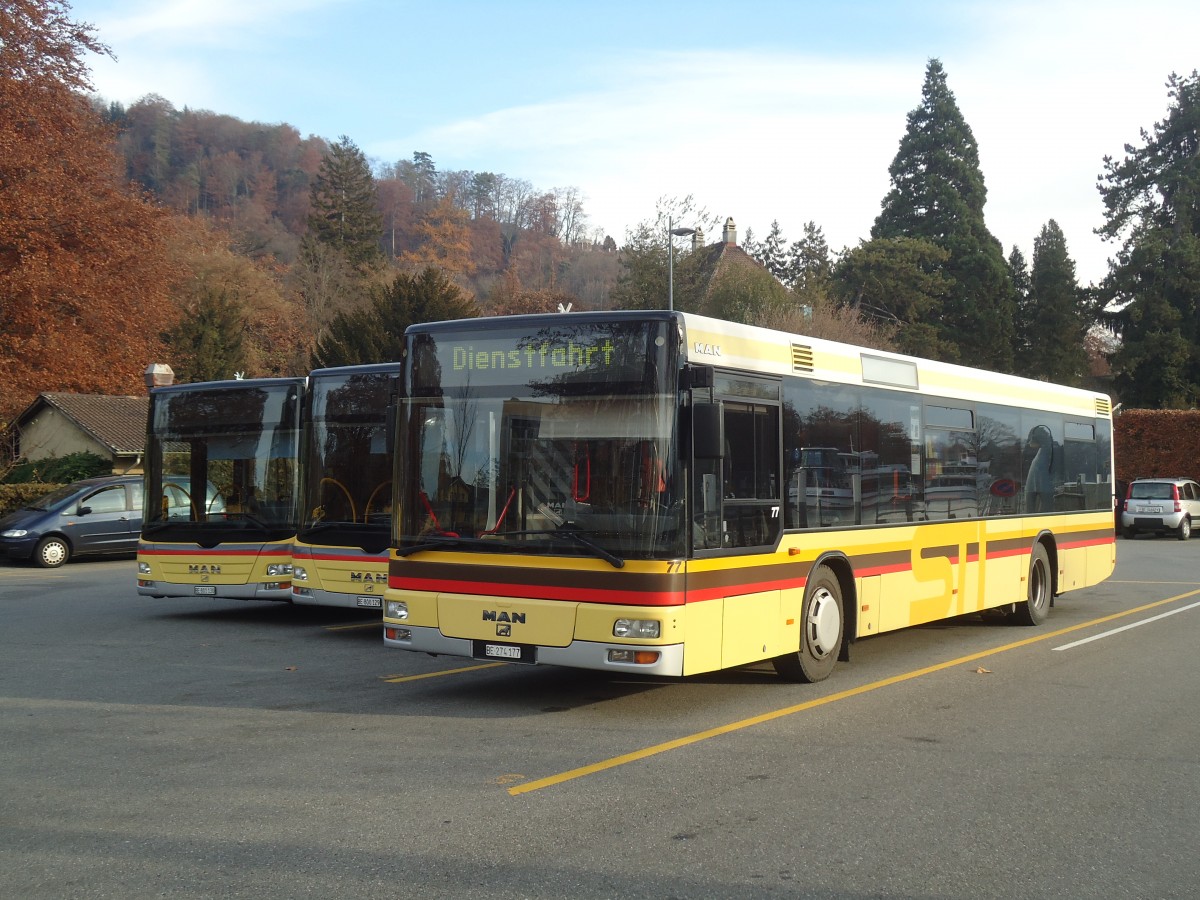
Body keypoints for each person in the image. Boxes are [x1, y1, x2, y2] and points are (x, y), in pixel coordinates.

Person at [1025, 425, 1055, 513]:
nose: (1030, 443)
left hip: (1036, 484)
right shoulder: (1043, 454)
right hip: (1036, 483)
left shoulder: (1043, 454)